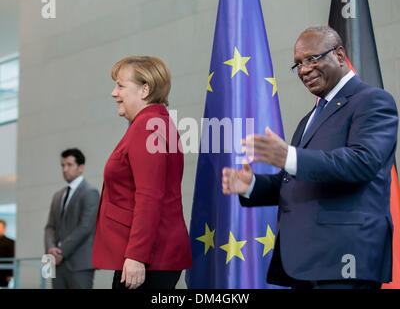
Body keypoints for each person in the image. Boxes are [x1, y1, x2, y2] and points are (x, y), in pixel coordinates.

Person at [222, 26, 398, 289]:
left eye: (312, 59)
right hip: (304, 262)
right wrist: (252, 186)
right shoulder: (310, 118)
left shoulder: (373, 101)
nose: (304, 70)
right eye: (298, 64)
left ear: (339, 55)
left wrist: (289, 156)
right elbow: (293, 180)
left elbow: (363, 162)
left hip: (344, 259)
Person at [92, 56, 192, 290]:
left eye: (120, 86)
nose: (114, 93)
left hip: (148, 258)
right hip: (152, 254)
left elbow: (149, 196)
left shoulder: (147, 127)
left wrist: (137, 255)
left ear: (145, 89)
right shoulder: (155, 123)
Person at [44, 148, 100, 289]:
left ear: (81, 167)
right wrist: (51, 248)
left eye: (69, 165)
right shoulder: (58, 195)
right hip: (55, 263)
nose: (65, 169)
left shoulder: (90, 192)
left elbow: (85, 227)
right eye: (63, 165)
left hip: (79, 263)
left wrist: (61, 251)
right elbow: (50, 226)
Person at [0, 220, 14, 288]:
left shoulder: (10, 242)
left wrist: (10, 274)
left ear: (4, 229)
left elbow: (11, 258)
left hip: (4, 273)